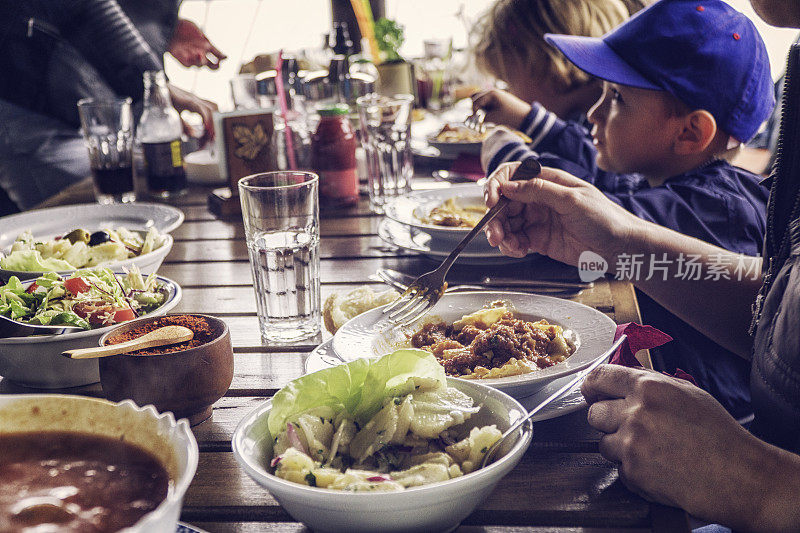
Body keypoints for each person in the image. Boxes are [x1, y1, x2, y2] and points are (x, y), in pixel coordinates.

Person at [482, 0, 800, 530]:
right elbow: (781, 310)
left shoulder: (713, 201)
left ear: (691, 134)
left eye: (618, 100)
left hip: (721, 460)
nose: (592, 116)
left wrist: (752, 479)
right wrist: (612, 239)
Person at [0, 0, 223, 213]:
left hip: (77, 109)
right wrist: (156, 86)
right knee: (124, 203)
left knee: (169, 171)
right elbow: (85, 7)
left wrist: (163, 26)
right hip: (30, 117)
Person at [471, 0, 648, 124]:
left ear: (548, 65)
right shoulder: (577, 116)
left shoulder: (615, 121)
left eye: (507, 81)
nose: (508, 94)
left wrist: (528, 120)